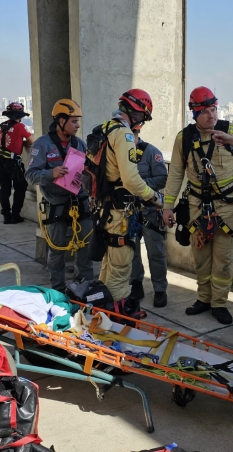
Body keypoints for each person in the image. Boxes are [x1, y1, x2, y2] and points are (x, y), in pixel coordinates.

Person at [161, 86, 233, 325]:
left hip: (227, 208)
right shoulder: (184, 139)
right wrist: (167, 206)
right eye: (204, 111)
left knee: (224, 259)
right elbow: (175, 175)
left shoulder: (231, 133)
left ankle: (220, 304)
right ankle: (203, 299)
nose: (211, 115)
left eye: (213, 109)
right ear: (194, 113)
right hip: (196, 208)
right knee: (200, 257)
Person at [93, 89, 162, 315]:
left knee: (108, 266)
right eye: (142, 117)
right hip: (119, 212)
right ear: (135, 112)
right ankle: (113, 320)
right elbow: (132, 180)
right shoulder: (124, 135)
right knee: (121, 269)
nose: (141, 123)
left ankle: (99, 315)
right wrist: (154, 196)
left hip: (105, 209)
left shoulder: (104, 129)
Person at [25, 98, 92, 291]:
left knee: (84, 246)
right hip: (56, 205)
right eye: (73, 121)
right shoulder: (42, 145)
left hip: (79, 202)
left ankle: (84, 287)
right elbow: (30, 175)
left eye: (78, 121)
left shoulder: (79, 144)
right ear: (60, 121)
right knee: (56, 251)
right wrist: (50, 173)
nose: (77, 125)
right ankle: (58, 289)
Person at [129, 129, 169, 308]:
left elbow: (162, 178)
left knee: (156, 252)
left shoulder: (151, 152)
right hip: (128, 212)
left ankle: (160, 289)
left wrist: (140, 186)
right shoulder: (120, 155)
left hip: (150, 211)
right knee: (131, 252)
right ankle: (136, 284)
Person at [0, 102, 35, 224]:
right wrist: (20, 143)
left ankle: (6, 215)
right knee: (20, 187)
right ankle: (15, 215)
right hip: (13, 162)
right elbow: (32, 141)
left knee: (4, 188)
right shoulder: (20, 127)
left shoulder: (0, 126)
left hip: (0, 161)